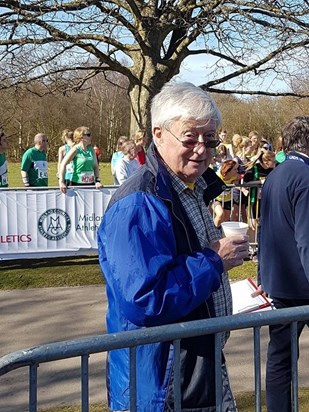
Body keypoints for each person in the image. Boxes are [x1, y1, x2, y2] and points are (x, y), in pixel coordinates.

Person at [98, 81, 249, 412]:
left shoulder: (192, 186)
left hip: (193, 365)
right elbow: (146, 299)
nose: (201, 149)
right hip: (160, 379)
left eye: (209, 140)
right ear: (158, 134)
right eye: (190, 138)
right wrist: (213, 261)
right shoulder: (139, 202)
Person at [257, 115, 309, 412]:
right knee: (281, 359)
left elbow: (265, 229)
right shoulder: (303, 177)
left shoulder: (276, 174)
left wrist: (264, 275)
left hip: (280, 281)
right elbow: (306, 239)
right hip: (301, 284)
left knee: (280, 359)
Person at [59, 126, 102, 193]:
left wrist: (97, 181)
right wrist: (61, 182)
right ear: (81, 137)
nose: (91, 137)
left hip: (90, 184)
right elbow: (63, 164)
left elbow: (96, 167)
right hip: (77, 184)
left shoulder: (91, 150)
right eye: (88, 135)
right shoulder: (75, 149)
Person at [212, 159, 240, 227]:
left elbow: (238, 183)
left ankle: (222, 234)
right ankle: (213, 231)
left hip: (228, 200)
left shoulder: (235, 176)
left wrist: (242, 188)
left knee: (225, 220)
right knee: (220, 214)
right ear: (228, 170)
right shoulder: (218, 176)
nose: (237, 171)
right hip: (217, 199)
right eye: (235, 169)